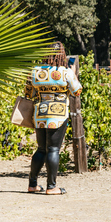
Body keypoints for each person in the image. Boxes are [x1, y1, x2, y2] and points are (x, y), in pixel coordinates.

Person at [24, 42, 82, 195]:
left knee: (41, 149)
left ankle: (32, 184)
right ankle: (51, 186)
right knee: (54, 149)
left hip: (40, 114)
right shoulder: (65, 72)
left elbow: (28, 94)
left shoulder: (35, 72)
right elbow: (77, 91)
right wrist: (74, 72)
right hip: (58, 114)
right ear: (61, 55)